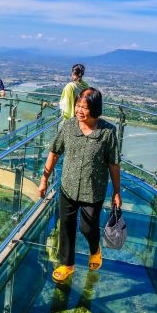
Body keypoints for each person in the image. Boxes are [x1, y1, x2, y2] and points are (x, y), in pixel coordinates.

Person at [38, 87, 121, 283]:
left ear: (95, 108)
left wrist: (116, 192)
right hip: (68, 185)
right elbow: (54, 152)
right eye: (77, 106)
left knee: (87, 226)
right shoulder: (68, 126)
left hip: (93, 190)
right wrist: (44, 179)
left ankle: (95, 249)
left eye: (84, 107)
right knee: (66, 227)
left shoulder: (107, 132)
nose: (79, 111)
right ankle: (67, 264)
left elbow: (113, 164)